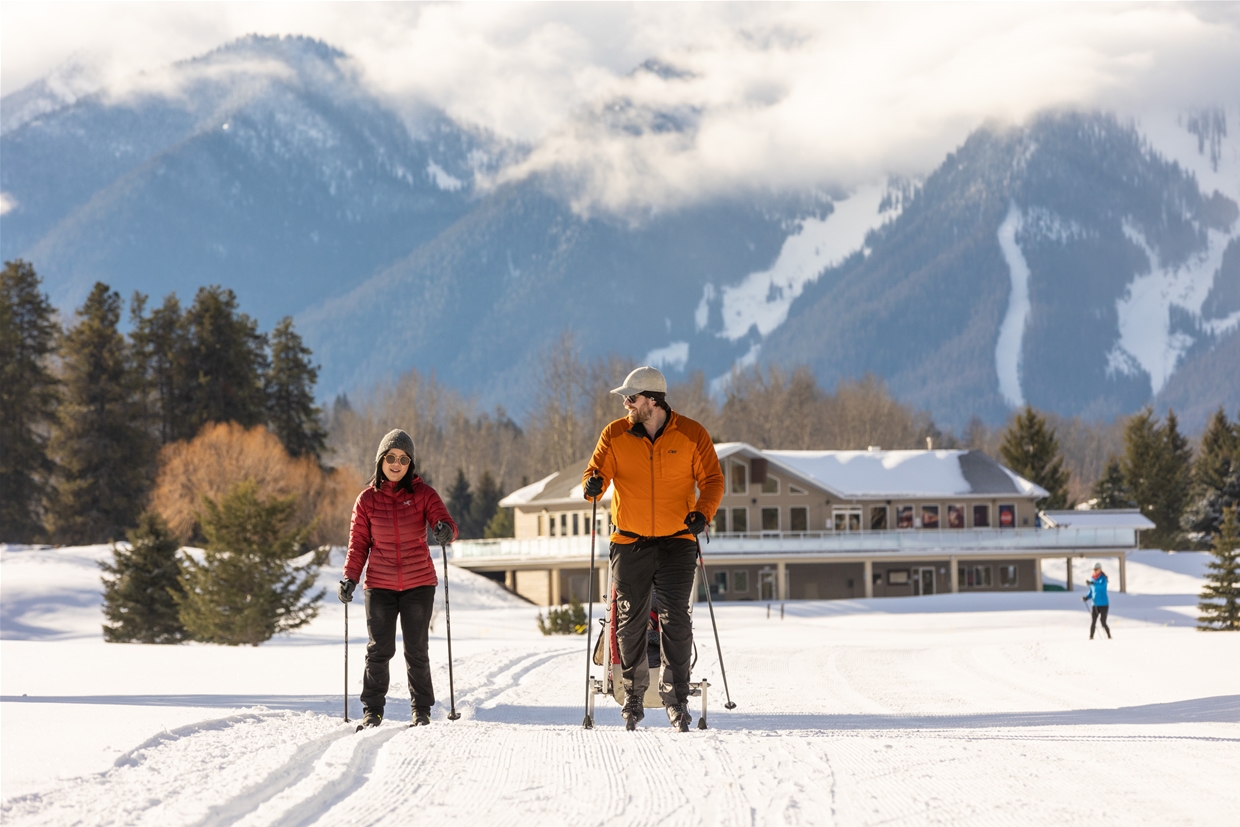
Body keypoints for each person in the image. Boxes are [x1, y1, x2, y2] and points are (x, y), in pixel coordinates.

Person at [583, 366, 724, 731]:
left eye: (631, 398)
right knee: (630, 620)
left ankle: (676, 700)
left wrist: (703, 513)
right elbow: (594, 475)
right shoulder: (614, 434)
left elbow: (712, 479)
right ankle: (632, 694)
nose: (626, 404)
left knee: (675, 618)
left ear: (652, 401)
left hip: (678, 541)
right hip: (629, 542)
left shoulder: (692, 434)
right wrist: (593, 485)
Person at [338, 429, 457, 727]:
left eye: (403, 459)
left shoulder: (424, 494)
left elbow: (447, 524)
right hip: (380, 585)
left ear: (410, 464)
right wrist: (350, 578)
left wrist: (445, 530)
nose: (396, 464)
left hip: (419, 583)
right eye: (391, 457)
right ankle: (372, 710)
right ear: (381, 460)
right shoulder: (366, 500)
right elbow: (358, 545)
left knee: (416, 649)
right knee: (379, 650)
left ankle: (422, 710)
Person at [1083, 562, 1111, 639]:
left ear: (1100, 569)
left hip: (1103, 604)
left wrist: (1092, 583)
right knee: (1093, 621)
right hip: (1095, 604)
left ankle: (1109, 636)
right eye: (1094, 569)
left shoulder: (1103, 578)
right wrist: (1087, 597)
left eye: (1096, 569)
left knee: (1103, 621)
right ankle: (1091, 636)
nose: (1095, 571)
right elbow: (1091, 591)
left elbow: (1100, 586)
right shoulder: (1092, 579)